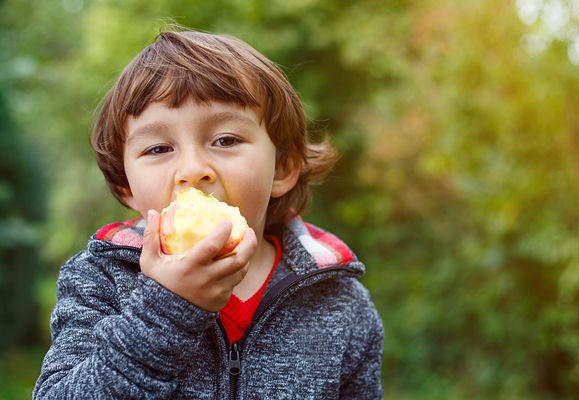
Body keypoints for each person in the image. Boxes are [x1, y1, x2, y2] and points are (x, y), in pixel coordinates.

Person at [33, 27, 383, 399]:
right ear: (126, 187)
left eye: (226, 140)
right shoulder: (100, 280)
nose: (192, 169)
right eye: (157, 149)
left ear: (282, 168)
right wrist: (165, 310)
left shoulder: (341, 303)